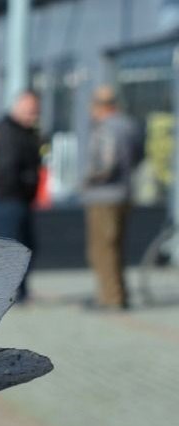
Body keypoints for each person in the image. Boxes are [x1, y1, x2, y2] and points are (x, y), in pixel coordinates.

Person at [83, 85, 141, 310]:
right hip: (123, 193)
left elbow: (106, 165)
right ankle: (118, 293)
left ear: (100, 106)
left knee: (102, 250)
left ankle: (110, 298)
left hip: (103, 197)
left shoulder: (106, 128)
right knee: (116, 247)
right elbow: (137, 156)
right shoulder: (129, 126)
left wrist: (87, 180)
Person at [0, 90, 42, 300]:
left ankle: (18, 290)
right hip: (9, 198)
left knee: (26, 246)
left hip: (21, 199)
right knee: (12, 247)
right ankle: (10, 292)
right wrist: (27, 181)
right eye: (29, 111)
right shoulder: (9, 132)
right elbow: (7, 167)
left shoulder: (26, 132)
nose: (33, 116)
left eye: (35, 111)